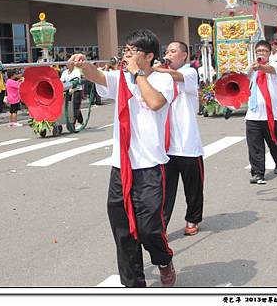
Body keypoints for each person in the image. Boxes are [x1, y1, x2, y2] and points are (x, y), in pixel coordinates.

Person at [69, 29, 176, 288]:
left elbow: (154, 103)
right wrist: (84, 65)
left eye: (133, 50)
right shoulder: (120, 78)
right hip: (121, 166)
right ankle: (134, 286)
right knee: (123, 231)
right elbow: (98, 76)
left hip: (150, 167)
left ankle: (163, 260)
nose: (126, 54)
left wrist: (138, 74)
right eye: (125, 49)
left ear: (149, 56)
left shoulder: (162, 80)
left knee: (150, 228)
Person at [154, 41, 204, 236]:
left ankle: (193, 218)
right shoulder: (158, 76)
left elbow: (178, 77)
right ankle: (161, 226)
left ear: (184, 55)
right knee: (164, 191)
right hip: (165, 145)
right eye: (167, 51)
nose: (168, 54)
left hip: (187, 143)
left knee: (193, 187)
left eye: (173, 51)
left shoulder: (189, 72)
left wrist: (156, 69)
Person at [245, 40, 277, 185]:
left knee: (275, 144)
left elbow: (270, 70)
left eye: (264, 51)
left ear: (269, 53)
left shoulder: (275, 65)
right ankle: (258, 173)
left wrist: (260, 66)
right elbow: (242, 79)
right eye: (258, 51)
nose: (261, 53)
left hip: (270, 114)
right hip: (253, 114)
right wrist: (252, 67)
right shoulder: (252, 68)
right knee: (255, 146)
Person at [60, 61, 84, 126]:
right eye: (67, 64)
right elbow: (61, 81)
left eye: (69, 64)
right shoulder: (65, 72)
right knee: (69, 107)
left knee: (75, 106)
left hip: (76, 90)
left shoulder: (76, 72)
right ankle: (80, 120)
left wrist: (72, 89)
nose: (67, 65)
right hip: (67, 91)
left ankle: (73, 123)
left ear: (73, 65)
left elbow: (76, 82)